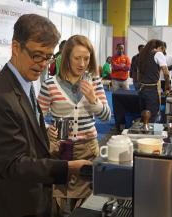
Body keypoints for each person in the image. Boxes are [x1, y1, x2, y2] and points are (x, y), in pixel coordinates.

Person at [0, 14, 91, 217]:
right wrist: (68, 168)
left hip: (29, 197)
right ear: (16, 48)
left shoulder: (23, 84)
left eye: (48, 56)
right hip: (10, 205)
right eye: (37, 55)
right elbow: (14, 165)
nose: (43, 63)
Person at [38, 35, 111, 216]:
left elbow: (106, 117)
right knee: (60, 199)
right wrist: (48, 129)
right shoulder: (50, 84)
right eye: (77, 58)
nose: (82, 63)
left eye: (86, 58)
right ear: (66, 57)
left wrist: (94, 100)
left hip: (88, 149)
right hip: (60, 151)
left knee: (88, 202)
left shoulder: (94, 81)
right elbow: (37, 116)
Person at [138, 39, 169, 123]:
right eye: (163, 49)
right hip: (152, 89)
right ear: (160, 47)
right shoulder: (158, 54)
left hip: (141, 88)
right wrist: (167, 86)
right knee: (152, 116)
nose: (163, 52)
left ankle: (143, 133)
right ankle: (149, 135)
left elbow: (138, 73)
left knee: (144, 115)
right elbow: (166, 73)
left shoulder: (143, 55)